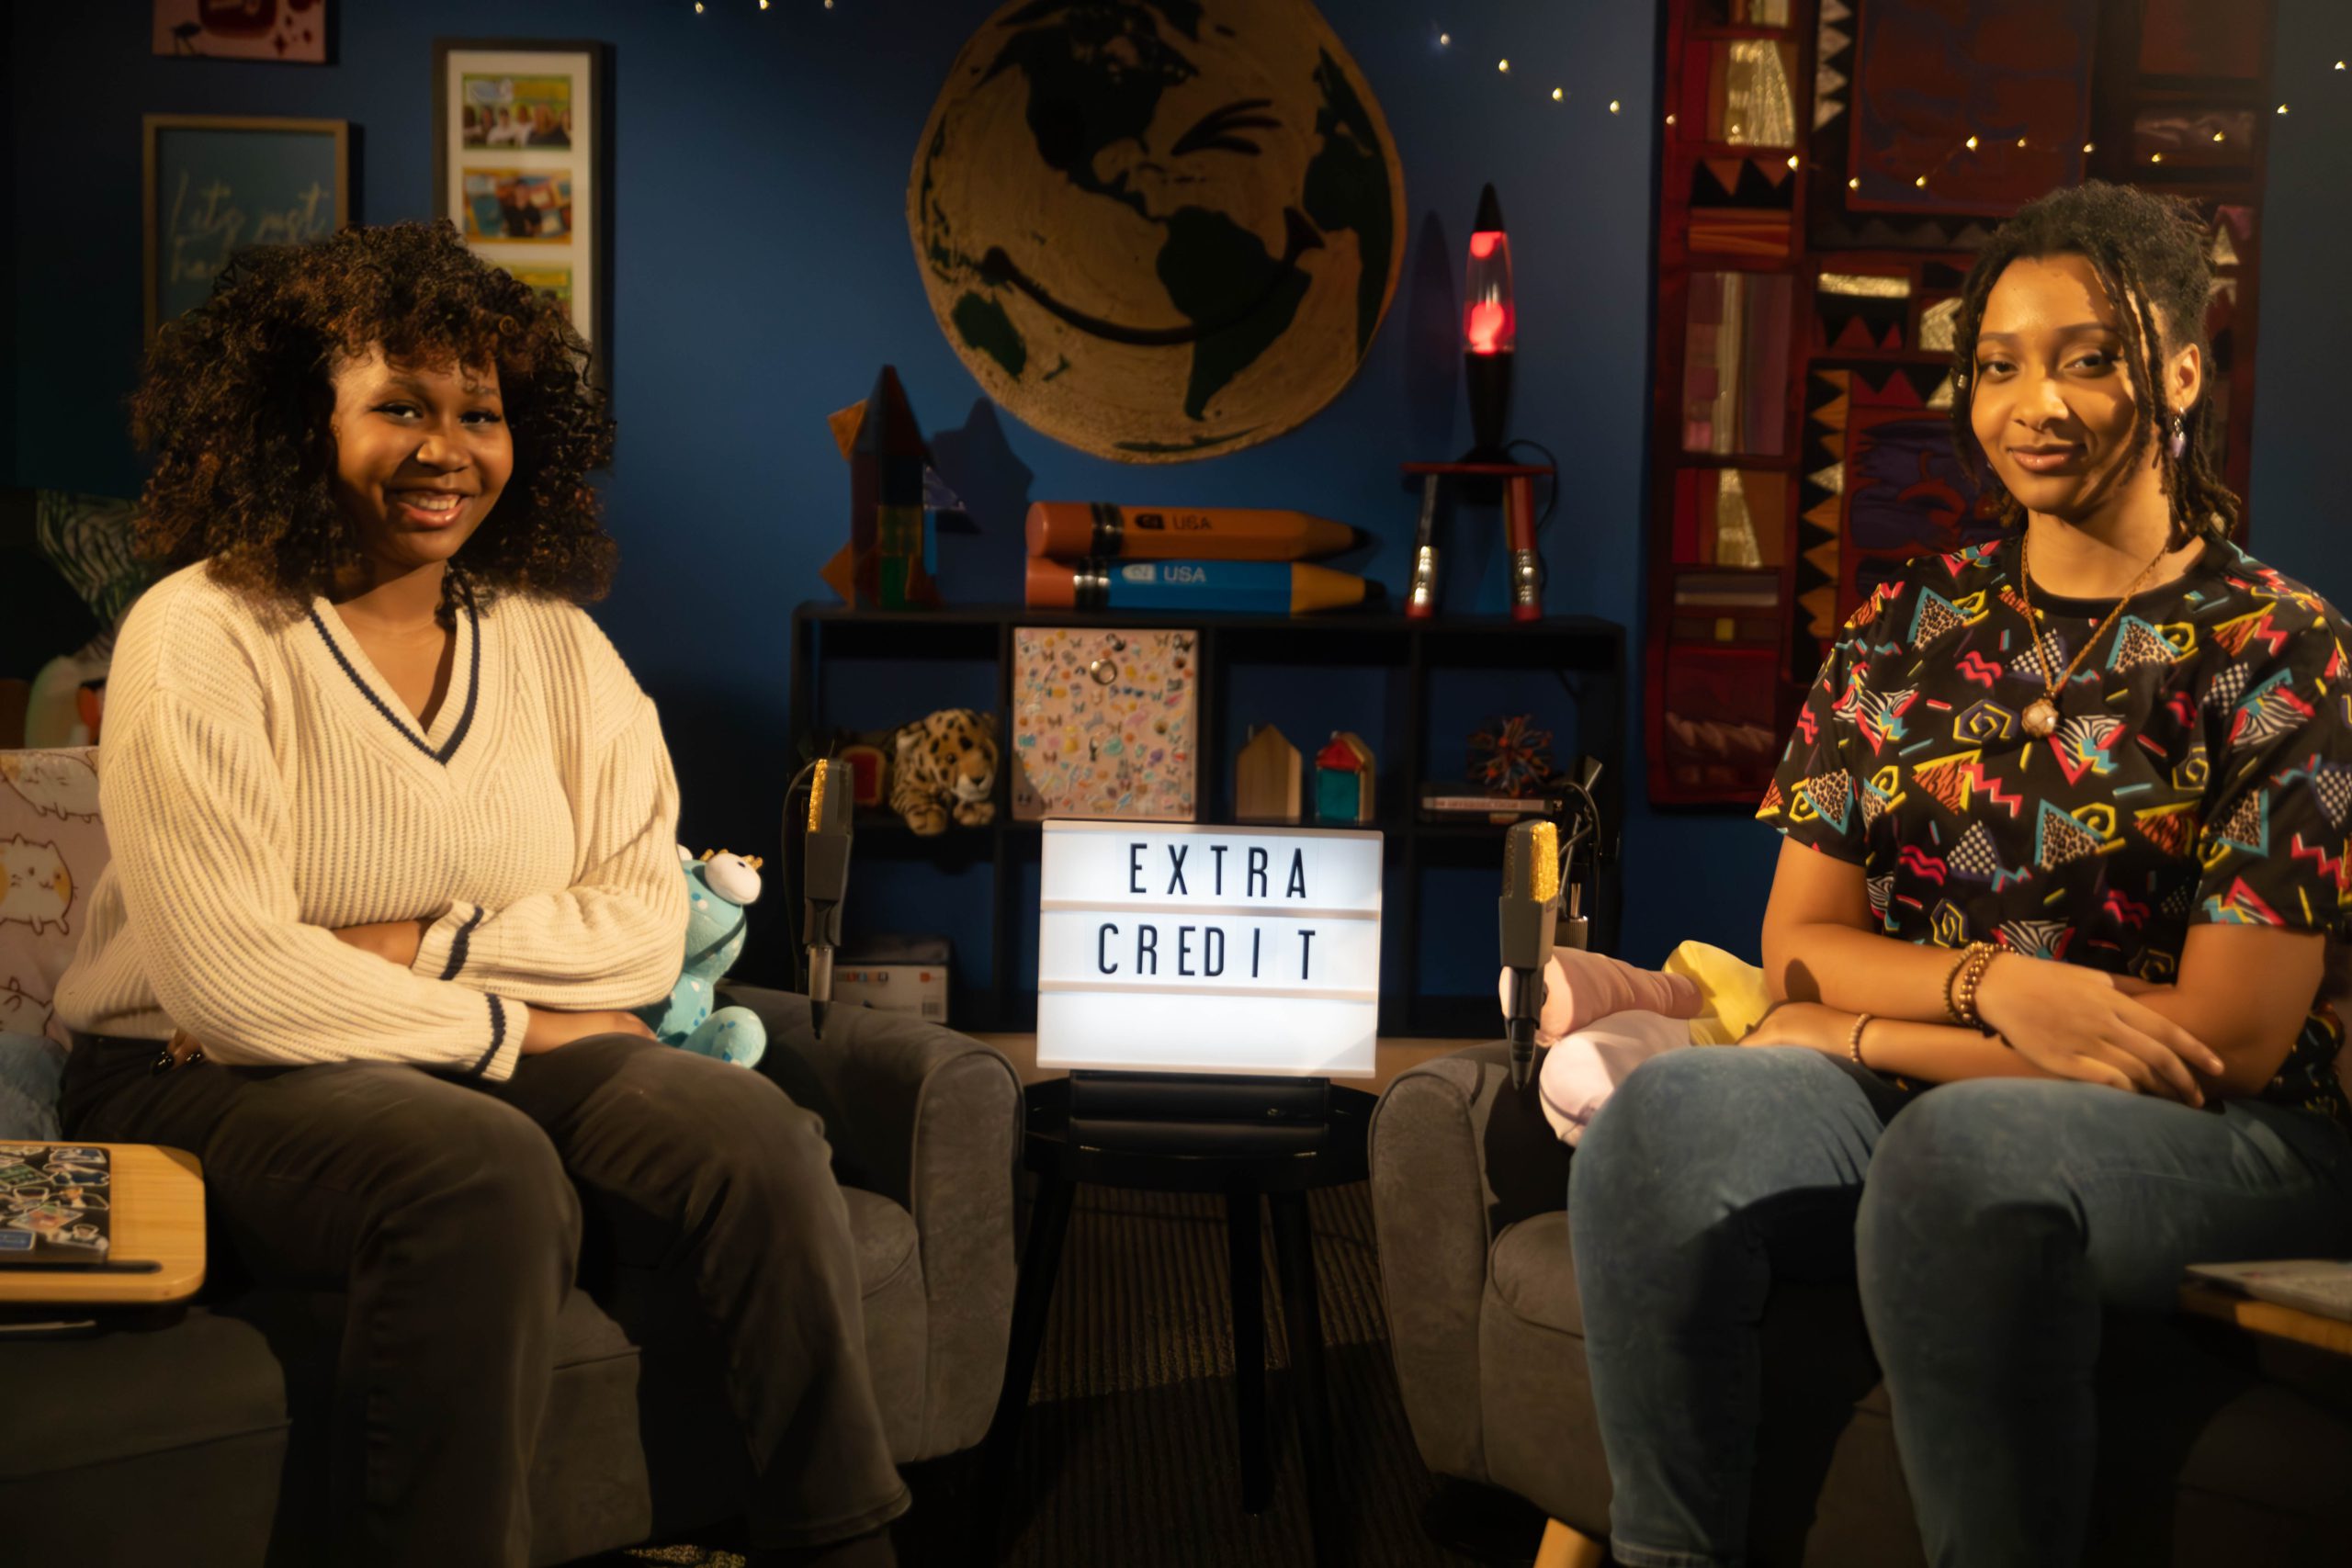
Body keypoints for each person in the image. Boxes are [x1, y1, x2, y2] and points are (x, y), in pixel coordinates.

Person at [52, 220, 906, 1568]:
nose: (448, 448)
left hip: (447, 1047)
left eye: (481, 414)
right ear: (299, 419)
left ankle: (840, 1543)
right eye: (399, 406)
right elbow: (232, 980)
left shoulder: (561, 645)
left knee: (750, 1131)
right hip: (189, 1067)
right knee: (480, 1170)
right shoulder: (200, 632)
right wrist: (526, 1028)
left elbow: (636, 923)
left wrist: (421, 944)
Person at [1566, 179, 2352, 1568]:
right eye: (1998, 365)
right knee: (1663, 1122)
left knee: (1958, 1156)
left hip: (2230, 1135)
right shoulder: (1908, 622)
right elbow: (1802, 943)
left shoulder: (2282, 648)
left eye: (2086, 358)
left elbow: (2225, 1036)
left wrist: (1865, 1029)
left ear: (2180, 369)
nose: (2031, 403)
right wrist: (1999, 993)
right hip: (1935, 1078)